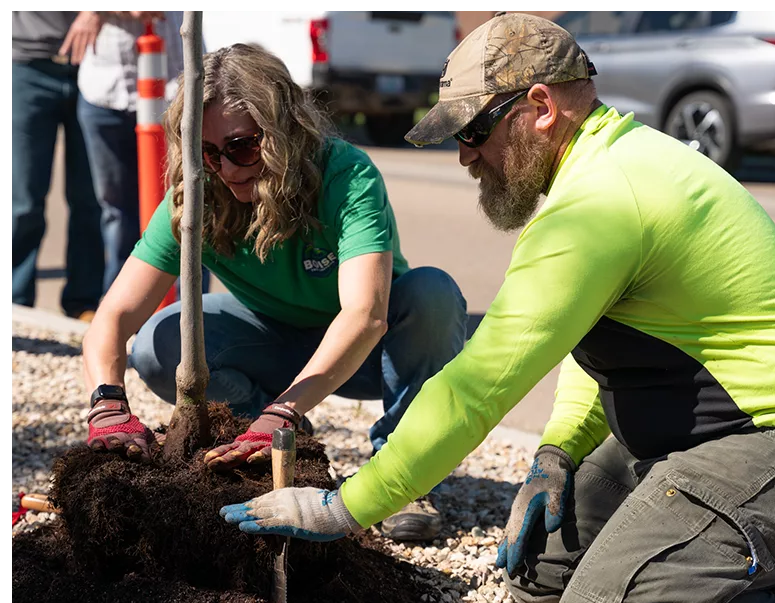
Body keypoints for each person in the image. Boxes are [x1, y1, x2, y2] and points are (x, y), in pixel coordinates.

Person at [219, 12, 775, 603]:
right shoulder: (606, 168)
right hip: (700, 433)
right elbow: (607, 348)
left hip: (772, 439)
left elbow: (476, 386)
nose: (465, 156)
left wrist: (347, 507)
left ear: (539, 107)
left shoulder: (602, 201)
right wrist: (556, 450)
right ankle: (728, 568)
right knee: (541, 576)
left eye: (472, 133)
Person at [80, 43, 469, 543]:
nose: (226, 167)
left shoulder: (345, 174)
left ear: (284, 128)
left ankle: (402, 470)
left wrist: (284, 407)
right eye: (206, 151)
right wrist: (107, 404)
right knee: (158, 343)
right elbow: (113, 318)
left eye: (243, 146)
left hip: (374, 351)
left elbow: (366, 316)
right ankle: (280, 444)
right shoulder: (197, 196)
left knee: (433, 293)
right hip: (271, 340)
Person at [67, 8, 212, 296]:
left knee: (189, 204)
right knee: (118, 211)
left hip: (177, 86)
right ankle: (123, 311)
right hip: (107, 87)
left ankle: (188, 314)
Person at [9, 9, 105, 320]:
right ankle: (17, 301)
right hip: (26, 63)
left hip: (92, 62)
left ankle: (83, 301)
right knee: (23, 200)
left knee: (89, 199)